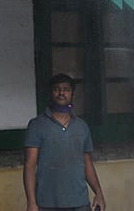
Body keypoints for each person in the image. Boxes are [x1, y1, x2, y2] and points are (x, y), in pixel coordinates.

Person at [23, 73, 106, 211]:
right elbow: (30, 166)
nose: (61, 93)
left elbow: (87, 164)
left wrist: (99, 193)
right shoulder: (37, 125)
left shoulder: (82, 126)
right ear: (51, 92)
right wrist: (31, 203)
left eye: (66, 89)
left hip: (80, 202)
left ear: (72, 93)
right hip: (47, 204)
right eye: (57, 89)